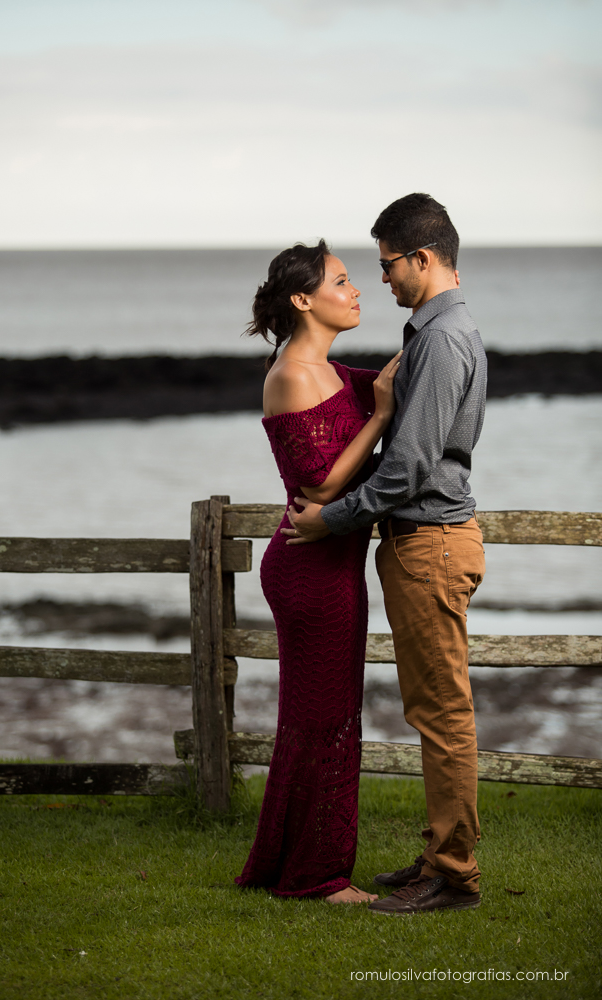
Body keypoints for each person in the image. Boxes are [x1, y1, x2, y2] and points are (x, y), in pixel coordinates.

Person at [285, 194, 487, 914]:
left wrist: (329, 521)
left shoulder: (437, 340)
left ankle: (453, 875)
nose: (383, 281)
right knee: (434, 711)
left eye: (388, 265)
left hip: (428, 543)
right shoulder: (440, 330)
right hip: (425, 541)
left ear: (422, 259)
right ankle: (439, 853)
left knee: (440, 717)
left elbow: (407, 470)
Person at [234, 240, 402, 903]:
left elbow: (394, 378)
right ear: (303, 300)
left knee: (323, 719)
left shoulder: (326, 369)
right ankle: (317, 876)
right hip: (308, 571)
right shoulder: (292, 375)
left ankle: (291, 863)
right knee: (323, 721)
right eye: (342, 280)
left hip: (332, 566)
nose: (357, 290)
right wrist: (384, 414)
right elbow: (321, 483)